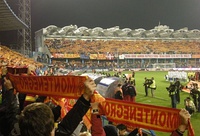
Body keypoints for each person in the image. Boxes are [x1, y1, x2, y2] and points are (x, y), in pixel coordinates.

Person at [4, 76, 96, 136]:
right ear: (51, 131)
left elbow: (12, 113)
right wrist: (86, 97)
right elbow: (66, 127)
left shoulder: (13, 130)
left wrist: (9, 91)